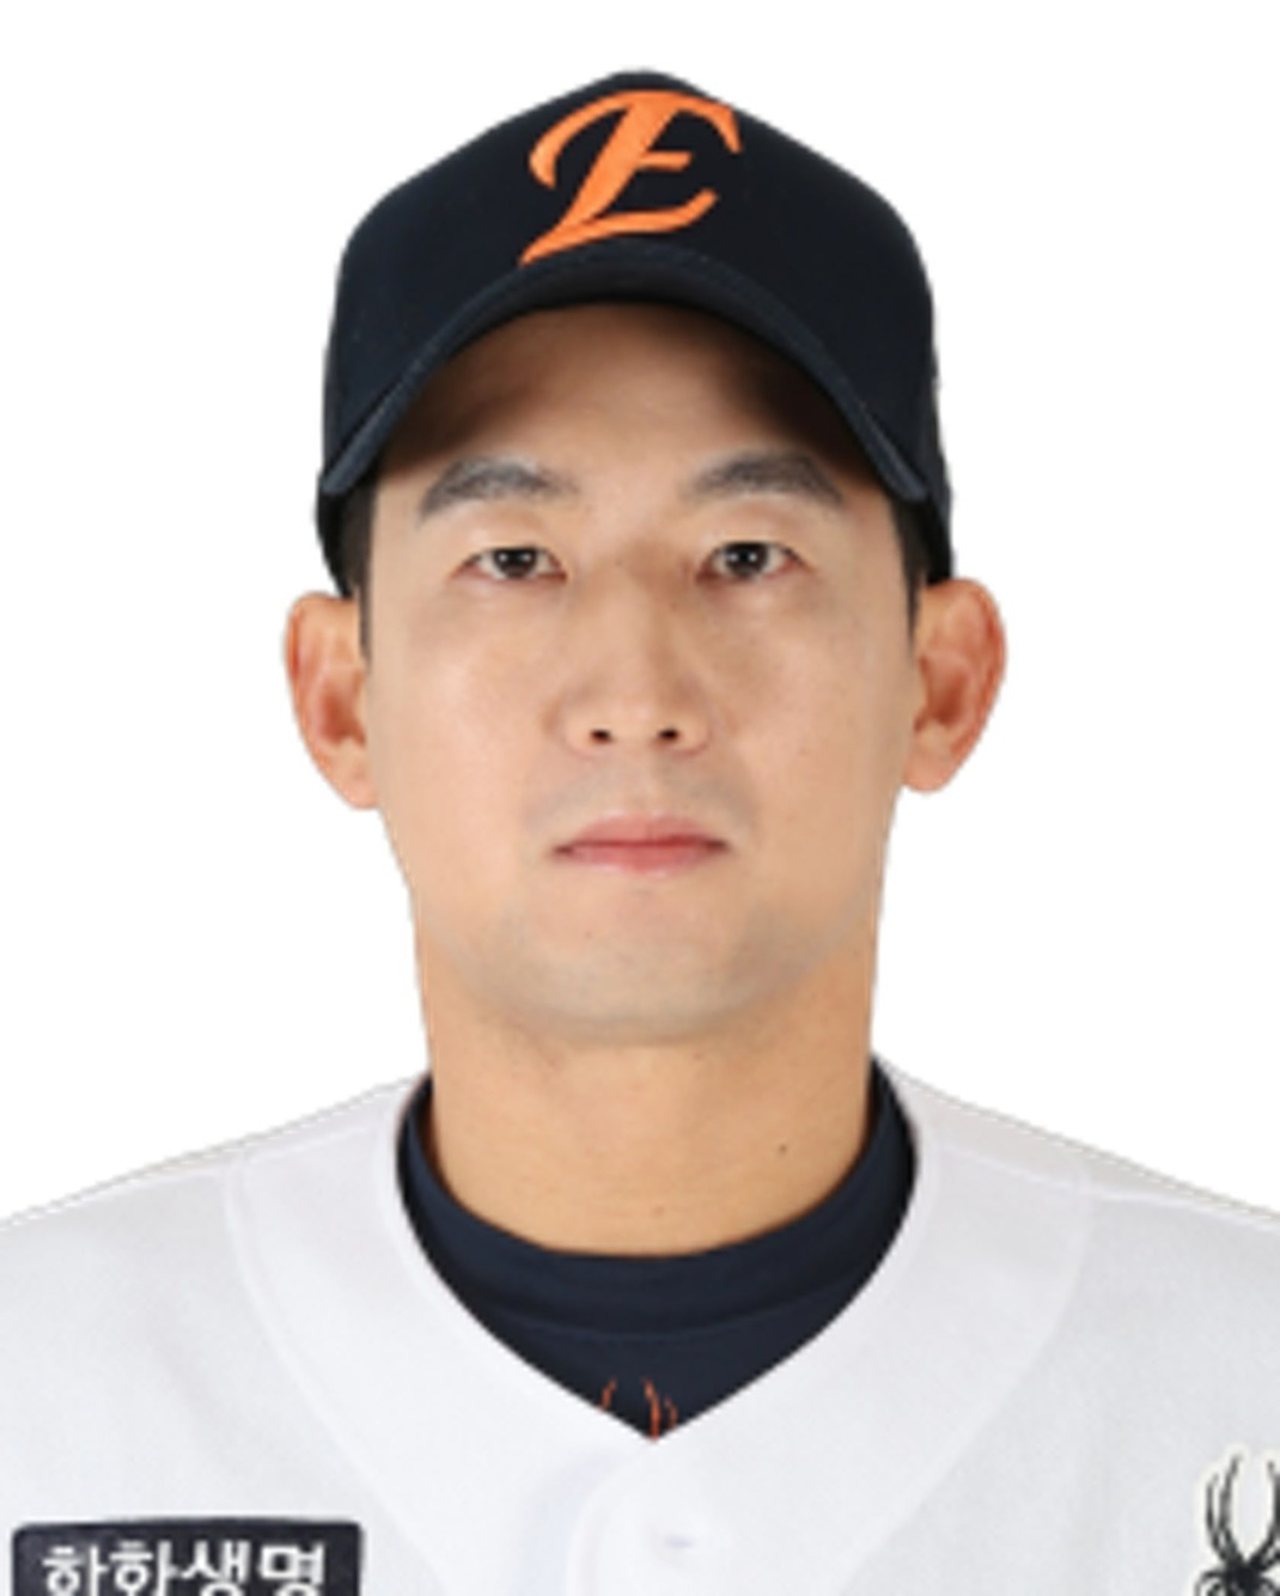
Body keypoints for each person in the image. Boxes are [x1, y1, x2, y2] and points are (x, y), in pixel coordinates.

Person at [3, 66, 1279, 1596]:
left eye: (746, 554)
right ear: (340, 699)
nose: (634, 696)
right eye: (514, 557)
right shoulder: (46, 1389)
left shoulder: (1237, 1369)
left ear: (939, 682)